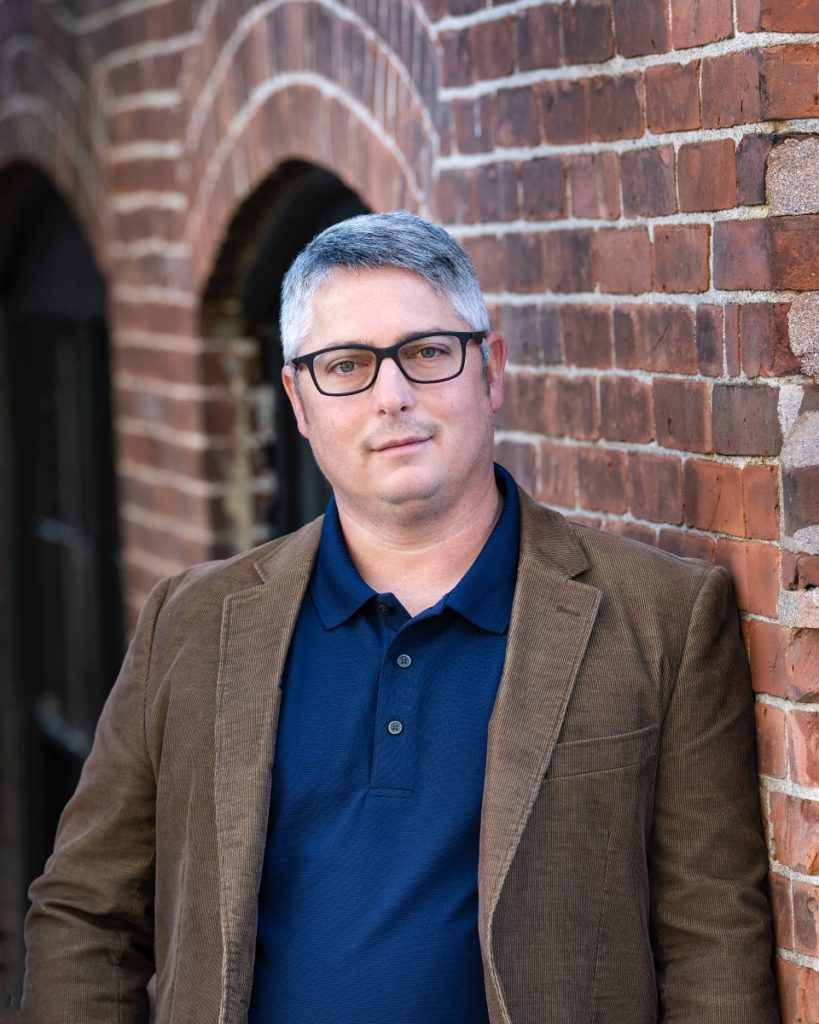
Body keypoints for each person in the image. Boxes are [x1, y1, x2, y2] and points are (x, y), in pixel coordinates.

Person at [22, 212, 779, 1024]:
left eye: (425, 352)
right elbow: (86, 913)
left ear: (490, 370)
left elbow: (711, 940)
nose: (393, 396)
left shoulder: (661, 616)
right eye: (345, 365)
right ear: (299, 401)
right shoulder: (192, 620)